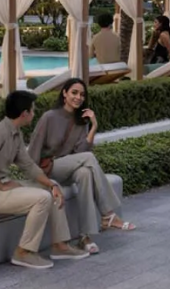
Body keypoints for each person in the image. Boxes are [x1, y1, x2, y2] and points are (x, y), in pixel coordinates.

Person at [0, 90, 87, 270]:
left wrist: (51, 183)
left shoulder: (15, 133)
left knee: (50, 191)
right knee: (42, 198)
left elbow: (28, 165)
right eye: (33, 110)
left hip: (0, 188)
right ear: (24, 114)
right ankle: (23, 252)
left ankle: (60, 245)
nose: (34, 113)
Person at [29, 77, 132, 252]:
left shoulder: (80, 120)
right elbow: (33, 150)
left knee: (85, 173)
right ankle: (107, 214)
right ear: (64, 94)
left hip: (68, 169)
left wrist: (93, 126)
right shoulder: (49, 117)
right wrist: (37, 178)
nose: (78, 97)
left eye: (82, 95)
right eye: (74, 93)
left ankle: (85, 237)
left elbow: (81, 152)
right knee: (89, 159)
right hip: (48, 170)